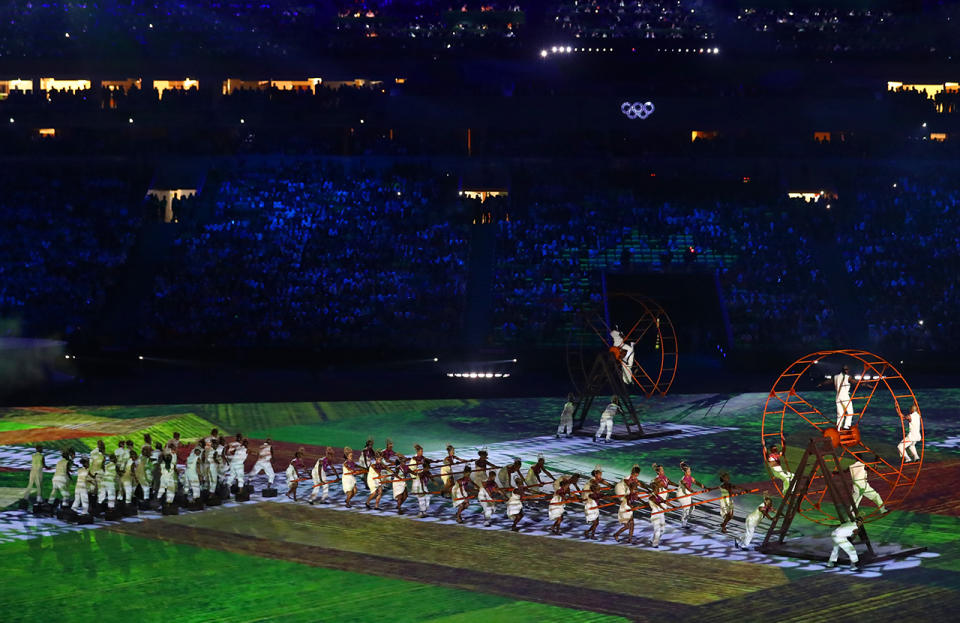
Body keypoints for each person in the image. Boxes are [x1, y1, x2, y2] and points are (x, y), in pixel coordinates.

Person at [677, 461, 705, 528]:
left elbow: (696, 482)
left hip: (687, 493)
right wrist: (692, 491)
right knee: (687, 509)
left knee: (692, 508)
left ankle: (684, 519)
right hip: (682, 494)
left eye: (690, 471)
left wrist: (704, 487)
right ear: (685, 472)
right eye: (689, 471)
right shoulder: (683, 479)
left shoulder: (690, 477)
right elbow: (687, 487)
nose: (690, 472)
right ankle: (683, 524)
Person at [648, 479, 674, 547]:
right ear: (654, 490)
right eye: (657, 489)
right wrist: (664, 509)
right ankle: (655, 544)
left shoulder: (658, 496)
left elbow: (664, 501)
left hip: (660, 514)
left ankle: (651, 539)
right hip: (655, 514)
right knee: (658, 530)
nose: (659, 490)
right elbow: (658, 503)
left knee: (662, 530)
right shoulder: (652, 497)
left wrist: (673, 506)